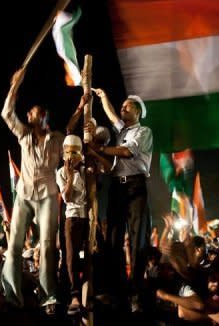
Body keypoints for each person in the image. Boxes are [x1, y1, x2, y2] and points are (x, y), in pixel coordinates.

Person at [0, 68, 64, 315]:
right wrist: (15, 86)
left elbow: (72, 147)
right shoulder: (23, 135)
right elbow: (7, 112)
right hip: (24, 195)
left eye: (33, 111)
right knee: (14, 245)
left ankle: (48, 296)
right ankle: (12, 296)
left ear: (44, 116)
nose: (28, 113)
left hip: (48, 195)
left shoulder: (57, 139)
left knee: (48, 246)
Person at [90, 88, 153, 312]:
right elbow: (110, 115)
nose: (122, 108)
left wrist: (101, 148)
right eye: (122, 106)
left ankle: (136, 291)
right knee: (113, 238)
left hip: (136, 185)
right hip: (117, 187)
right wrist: (103, 96)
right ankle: (116, 290)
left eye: (127, 106)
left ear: (137, 111)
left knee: (137, 240)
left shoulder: (143, 132)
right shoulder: (121, 130)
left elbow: (127, 153)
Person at [56, 134, 89, 315]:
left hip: (89, 218)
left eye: (74, 152)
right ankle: (74, 295)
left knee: (94, 253)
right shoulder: (61, 173)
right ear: (63, 155)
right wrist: (70, 176)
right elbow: (67, 197)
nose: (71, 156)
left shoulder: (87, 169)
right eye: (67, 152)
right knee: (71, 258)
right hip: (73, 218)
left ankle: (95, 289)